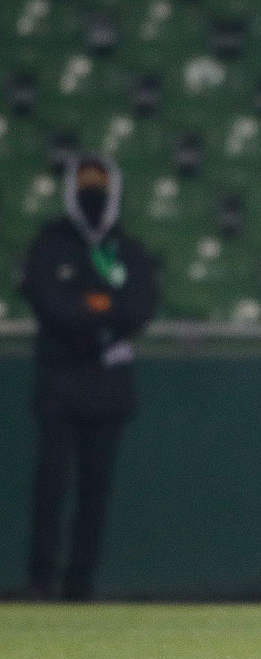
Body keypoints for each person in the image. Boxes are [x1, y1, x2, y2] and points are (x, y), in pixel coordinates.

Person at [20, 155, 159, 600]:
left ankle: (80, 583)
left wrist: (93, 313)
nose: (93, 192)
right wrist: (98, 319)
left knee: (95, 487)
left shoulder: (127, 249)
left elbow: (139, 306)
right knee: (52, 484)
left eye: (101, 183)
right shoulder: (50, 244)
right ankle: (41, 579)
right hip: (60, 380)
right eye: (85, 183)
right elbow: (48, 301)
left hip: (109, 388)